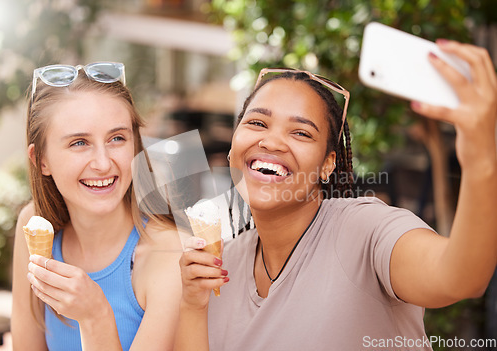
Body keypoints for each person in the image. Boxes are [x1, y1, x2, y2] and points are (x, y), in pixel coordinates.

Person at [176, 39, 497, 351]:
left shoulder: (363, 230)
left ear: (328, 165)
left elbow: (460, 278)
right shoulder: (221, 264)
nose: (271, 142)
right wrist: (193, 304)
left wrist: (480, 159)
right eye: (258, 122)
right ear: (233, 146)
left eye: (300, 132)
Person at [11, 62, 183, 351]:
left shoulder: (169, 255)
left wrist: (95, 317)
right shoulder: (35, 225)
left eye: (117, 138)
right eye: (79, 143)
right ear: (41, 159)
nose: (103, 164)